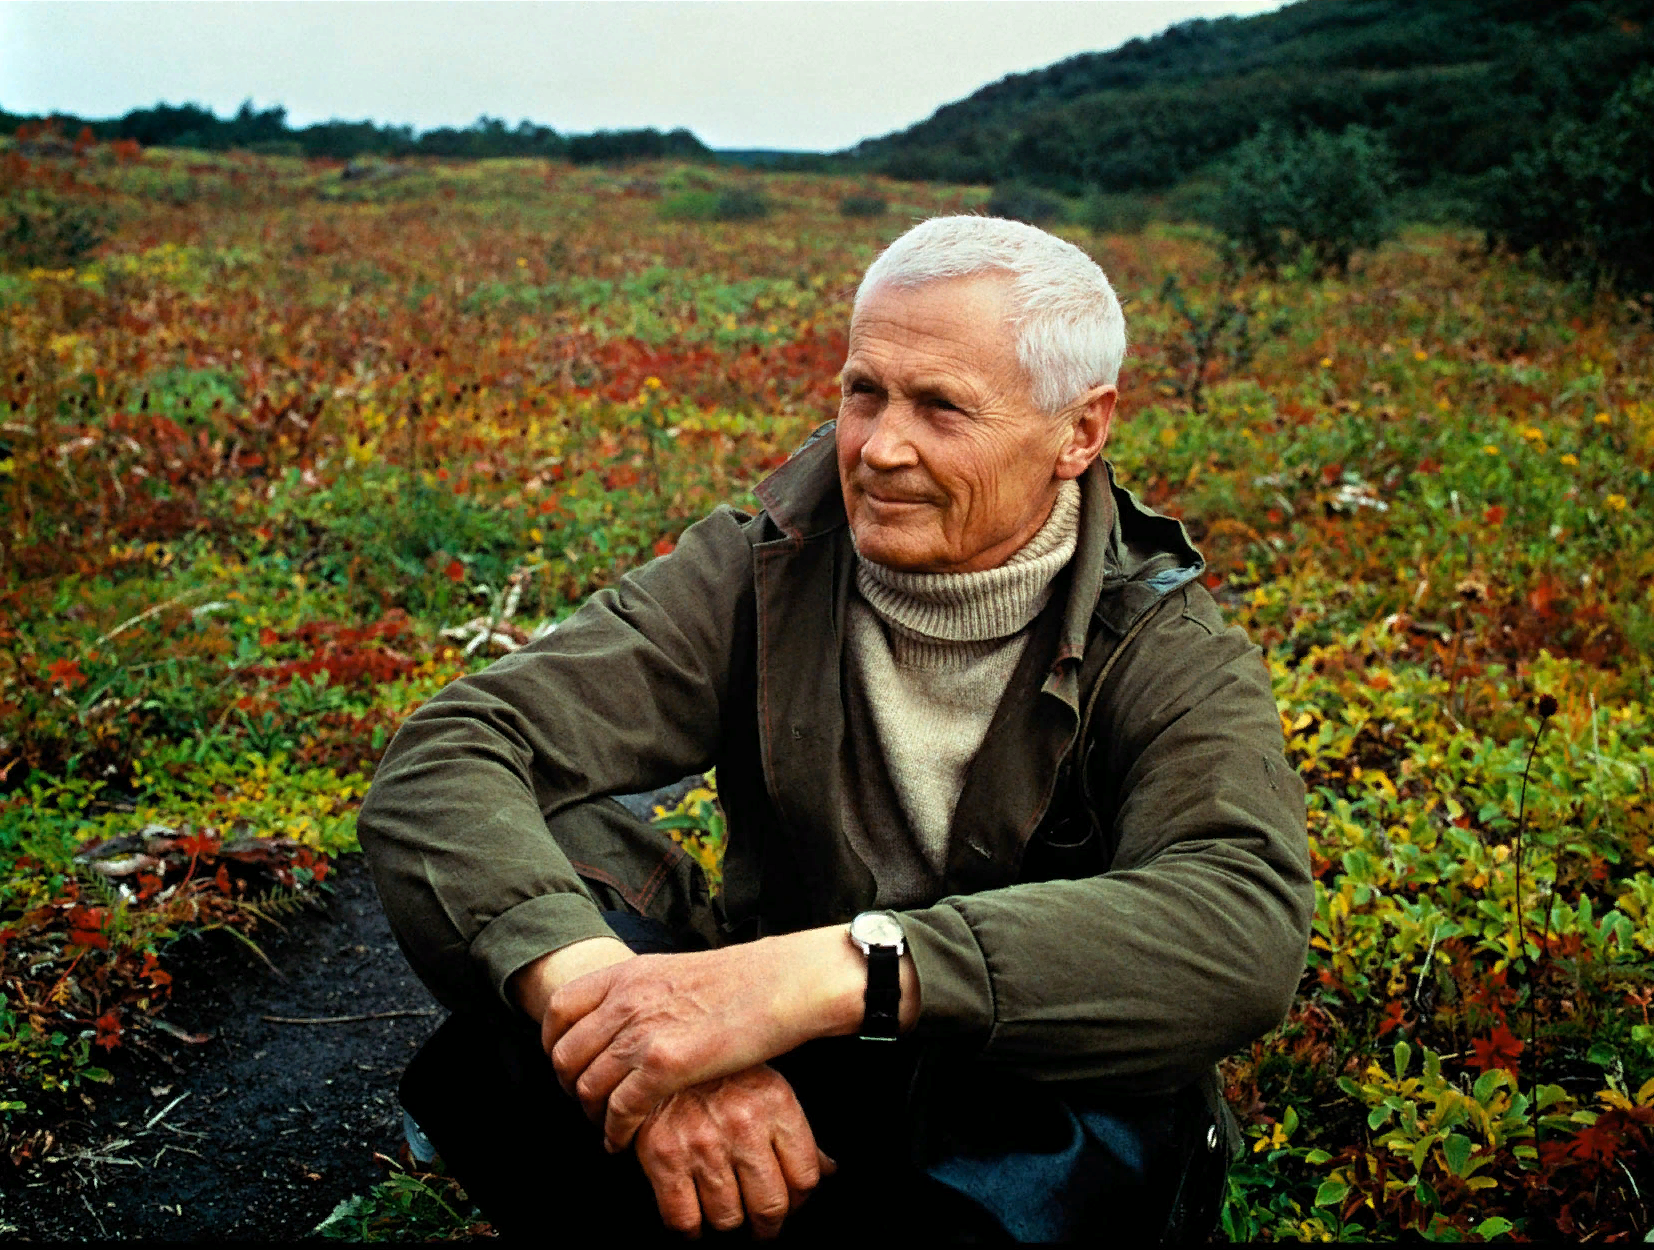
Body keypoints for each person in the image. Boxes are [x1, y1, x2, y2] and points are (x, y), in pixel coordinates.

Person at [358, 215, 1312, 1243]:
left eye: (941, 407)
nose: (878, 447)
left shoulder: (1162, 642)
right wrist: (620, 1015)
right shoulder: (762, 565)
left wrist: (845, 972)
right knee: (541, 915)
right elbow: (451, 753)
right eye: (865, 390)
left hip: (1012, 1096)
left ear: (1078, 431)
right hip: (789, 1058)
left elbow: (1241, 919)